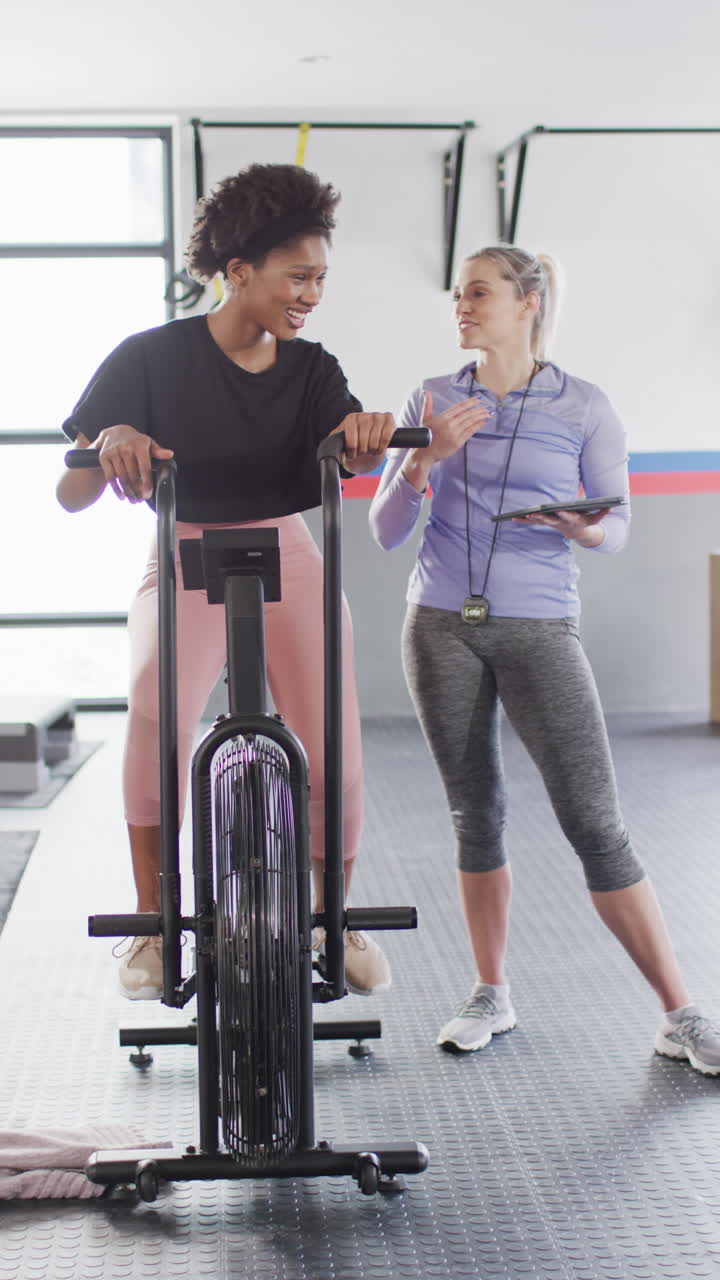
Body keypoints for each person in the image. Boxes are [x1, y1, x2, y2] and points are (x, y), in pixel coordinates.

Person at [369, 244, 720, 1074]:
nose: (463, 306)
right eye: (459, 294)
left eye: (479, 292)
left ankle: (681, 1012)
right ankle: (491, 991)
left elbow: (618, 525)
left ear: (527, 302)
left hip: (539, 626)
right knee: (475, 816)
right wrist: (424, 459)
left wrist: (584, 528)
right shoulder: (431, 397)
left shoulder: (585, 406)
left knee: (596, 823)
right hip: (440, 625)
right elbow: (386, 529)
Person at [57, 162, 395, 1000]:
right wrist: (110, 445)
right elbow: (68, 496)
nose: (313, 293)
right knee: (154, 713)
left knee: (337, 747)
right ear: (238, 271)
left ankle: (333, 916)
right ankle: (150, 926)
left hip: (287, 549)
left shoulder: (313, 368)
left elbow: (345, 445)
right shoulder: (148, 359)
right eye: (299, 275)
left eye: (321, 277)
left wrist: (363, 436)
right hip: (182, 552)